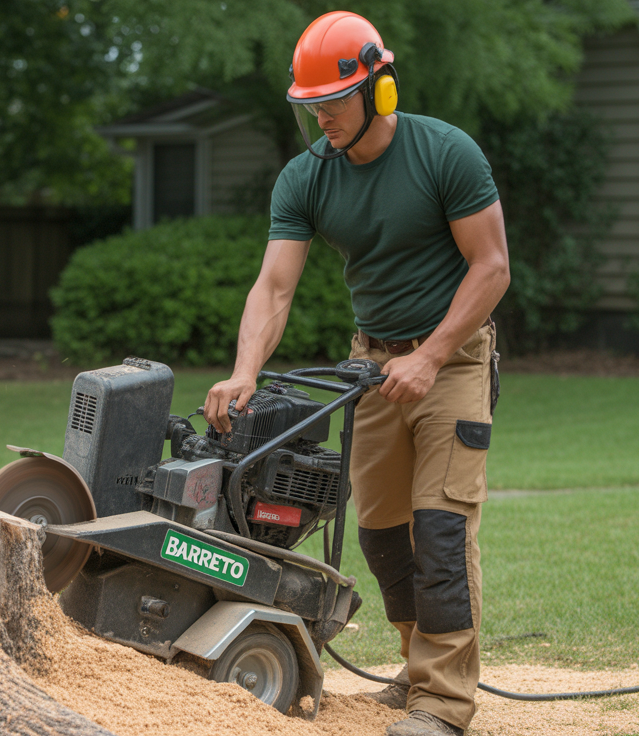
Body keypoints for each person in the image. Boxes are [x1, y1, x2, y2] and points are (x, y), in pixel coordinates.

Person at [202, 11, 509, 736]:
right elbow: (274, 288)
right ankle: (416, 667)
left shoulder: (446, 154)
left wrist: (431, 355)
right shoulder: (306, 177)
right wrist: (245, 370)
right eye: (309, 106)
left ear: (382, 89)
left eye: (333, 102)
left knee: (439, 530)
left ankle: (444, 703)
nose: (321, 119)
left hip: (453, 361)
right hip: (373, 365)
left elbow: (491, 268)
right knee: (380, 533)